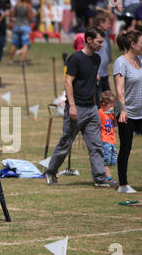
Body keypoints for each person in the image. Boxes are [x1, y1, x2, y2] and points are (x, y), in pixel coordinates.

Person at [45, 27, 114, 188]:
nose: (102, 45)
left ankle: (99, 178)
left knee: (96, 144)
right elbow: (68, 82)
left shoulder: (96, 59)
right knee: (66, 143)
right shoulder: (75, 59)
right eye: (99, 42)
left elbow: (92, 80)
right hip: (76, 108)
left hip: (92, 108)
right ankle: (51, 171)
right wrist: (72, 106)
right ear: (89, 40)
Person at [113, 30, 142, 193]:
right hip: (127, 112)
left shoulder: (140, 61)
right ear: (133, 45)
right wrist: (123, 110)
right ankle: (123, 184)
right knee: (126, 147)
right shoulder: (120, 63)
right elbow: (119, 90)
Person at [98, 90, 118, 185]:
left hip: (112, 140)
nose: (112, 108)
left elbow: (115, 125)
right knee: (106, 161)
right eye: (110, 106)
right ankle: (108, 178)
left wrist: (115, 115)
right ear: (103, 104)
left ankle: (103, 174)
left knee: (113, 160)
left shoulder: (110, 114)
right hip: (104, 140)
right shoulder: (100, 112)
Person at [8, 0, 35, 65]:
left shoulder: (17, 5)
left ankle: (10, 60)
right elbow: (30, 18)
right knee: (25, 44)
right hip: (25, 27)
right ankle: (22, 61)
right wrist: (35, 14)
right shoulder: (28, 6)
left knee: (14, 44)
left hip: (17, 26)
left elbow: (13, 14)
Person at [95, 12, 112, 108]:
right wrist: (95, 72)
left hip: (105, 74)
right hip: (97, 75)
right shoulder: (95, 36)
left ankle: (107, 121)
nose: (109, 25)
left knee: (109, 99)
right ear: (101, 23)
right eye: (108, 23)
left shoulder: (105, 35)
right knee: (100, 101)